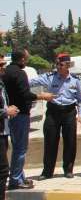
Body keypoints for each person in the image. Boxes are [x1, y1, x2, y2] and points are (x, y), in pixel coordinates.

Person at [2, 49, 52, 189]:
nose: (27, 61)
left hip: (9, 114)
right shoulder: (19, 73)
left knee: (16, 147)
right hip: (20, 114)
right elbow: (25, 94)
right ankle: (16, 179)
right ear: (22, 59)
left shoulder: (6, 72)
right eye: (26, 58)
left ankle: (20, 176)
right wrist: (42, 96)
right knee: (20, 148)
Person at [31, 53, 81, 179]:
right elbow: (30, 82)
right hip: (53, 112)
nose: (58, 67)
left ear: (68, 66)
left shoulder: (75, 80)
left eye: (61, 65)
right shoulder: (49, 77)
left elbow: (80, 99)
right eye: (57, 64)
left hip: (69, 112)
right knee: (50, 141)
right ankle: (47, 171)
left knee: (70, 141)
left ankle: (68, 169)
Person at [0, 58, 21, 200]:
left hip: (3, 131)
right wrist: (6, 111)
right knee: (3, 172)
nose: (3, 68)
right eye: (0, 65)